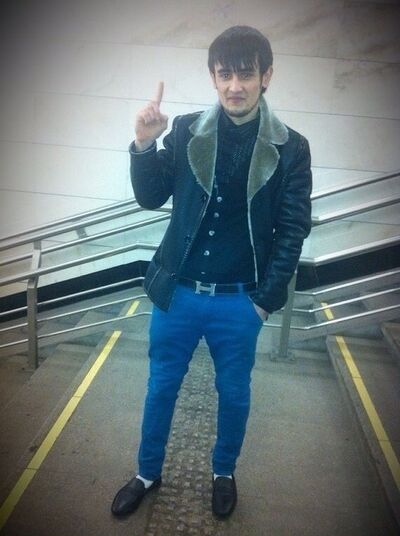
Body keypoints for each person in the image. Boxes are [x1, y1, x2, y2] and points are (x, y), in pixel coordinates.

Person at [111, 25, 312, 519]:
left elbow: (293, 229)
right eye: (225, 75)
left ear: (266, 76)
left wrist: (263, 303)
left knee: (235, 394)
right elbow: (151, 196)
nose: (235, 86)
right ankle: (146, 472)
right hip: (178, 293)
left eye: (246, 74)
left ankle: (223, 471)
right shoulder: (185, 131)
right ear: (213, 77)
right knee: (160, 387)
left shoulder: (291, 148)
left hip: (239, 301)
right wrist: (144, 144)